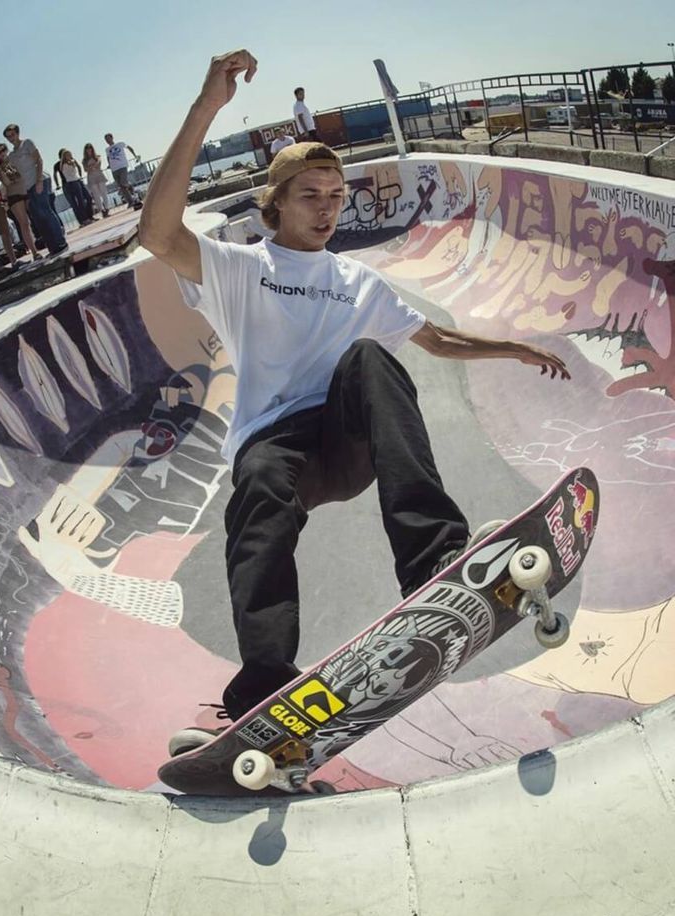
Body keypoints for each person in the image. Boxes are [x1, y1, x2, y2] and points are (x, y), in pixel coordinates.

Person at [139, 50, 569, 750]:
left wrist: (511, 347)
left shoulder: (356, 281)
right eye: (310, 196)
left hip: (346, 438)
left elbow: (436, 340)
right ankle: (262, 688)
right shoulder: (240, 267)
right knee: (255, 482)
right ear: (273, 204)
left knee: (371, 357)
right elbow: (157, 235)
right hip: (276, 449)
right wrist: (205, 108)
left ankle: (435, 561)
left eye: (336, 197)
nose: (327, 209)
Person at [3, 124, 67, 255]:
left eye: (12, 135)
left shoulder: (27, 143)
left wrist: (39, 181)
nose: (11, 138)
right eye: (8, 137)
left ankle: (60, 241)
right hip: (26, 188)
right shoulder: (11, 155)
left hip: (39, 180)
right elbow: (13, 175)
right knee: (37, 217)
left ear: (17, 133)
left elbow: (39, 160)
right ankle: (52, 246)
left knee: (45, 211)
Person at [0, 142, 41, 261]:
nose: (2, 154)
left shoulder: (13, 159)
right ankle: (34, 252)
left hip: (26, 189)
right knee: (24, 223)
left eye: (3, 150)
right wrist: (0, 168)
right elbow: (7, 182)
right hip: (14, 195)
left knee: (37, 216)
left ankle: (44, 242)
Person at [54, 149, 93, 226]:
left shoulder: (72, 161)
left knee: (87, 198)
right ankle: (82, 220)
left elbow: (78, 167)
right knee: (74, 204)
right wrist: (57, 184)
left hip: (76, 180)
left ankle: (88, 217)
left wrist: (80, 175)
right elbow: (55, 174)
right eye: (65, 154)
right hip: (67, 184)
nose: (68, 156)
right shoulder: (59, 164)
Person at [104, 133, 142, 209]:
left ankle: (130, 187)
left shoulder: (120, 144)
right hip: (114, 169)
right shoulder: (107, 149)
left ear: (112, 138)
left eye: (109, 138)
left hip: (122, 166)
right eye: (106, 140)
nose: (108, 140)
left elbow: (129, 148)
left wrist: (135, 155)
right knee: (121, 187)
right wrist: (109, 165)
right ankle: (130, 202)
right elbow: (108, 158)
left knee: (123, 182)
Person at [82, 143, 110, 218]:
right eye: (87, 148)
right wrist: (91, 167)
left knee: (104, 192)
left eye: (90, 148)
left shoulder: (97, 156)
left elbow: (99, 163)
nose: (89, 149)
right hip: (91, 177)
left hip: (99, 175)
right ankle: (102, 210)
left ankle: (107, 208)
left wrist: (91, 167)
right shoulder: (84, 160)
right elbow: (85, 169)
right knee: (96, 195)